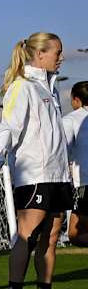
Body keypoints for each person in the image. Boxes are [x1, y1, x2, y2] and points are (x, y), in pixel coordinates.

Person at [0, 34, 76, 289]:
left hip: (57, 175)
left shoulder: (51, 89)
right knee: (27, 234)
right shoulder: (21, 87)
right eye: (57, 52)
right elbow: (8, 127)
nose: (61, 57)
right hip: (33, 174)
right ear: (39, 54)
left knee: (52, 235)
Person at [62, 81, 88, 248]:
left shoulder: (72, 119)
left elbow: (62, 150)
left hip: (85, 183)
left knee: (75, 234)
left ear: (76, 100)